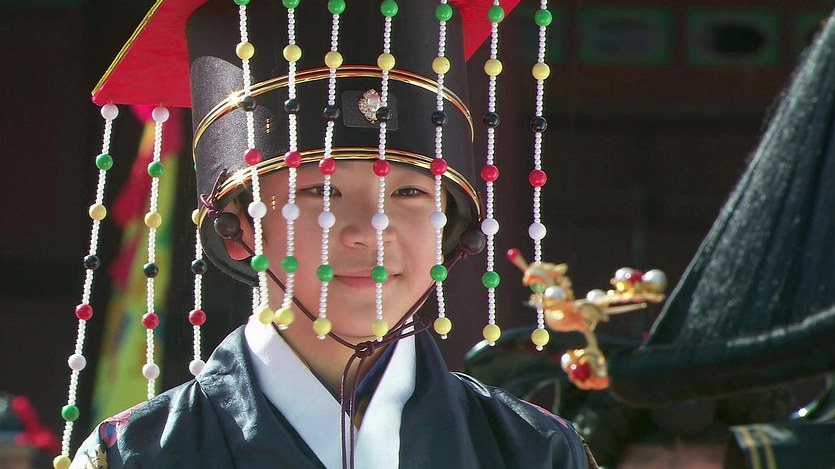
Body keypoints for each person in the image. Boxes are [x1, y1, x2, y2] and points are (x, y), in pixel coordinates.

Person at [63, 0, 596, 467]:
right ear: (236, 229)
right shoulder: (143, 454)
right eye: (320, 191)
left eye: (410, 193)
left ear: (452, 232)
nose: (371, 231)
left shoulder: (537, 452)